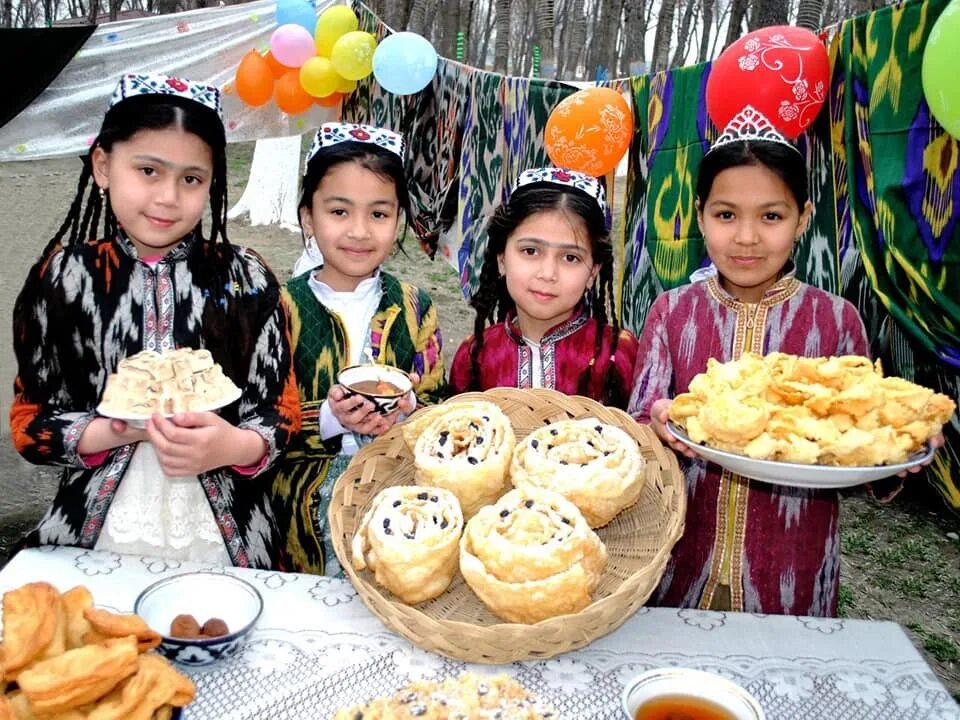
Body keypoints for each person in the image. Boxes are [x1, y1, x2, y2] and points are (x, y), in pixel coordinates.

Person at [628, 105, 941, 616]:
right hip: (680, 559)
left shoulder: (836, 321)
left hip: (792, 567)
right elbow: (643, 420)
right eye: (725, 215)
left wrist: (902, 448)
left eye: (771, 216)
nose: (747, 237)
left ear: (803, 219)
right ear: (700, 214)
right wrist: (655, 427)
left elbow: (863, 449)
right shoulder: (672, 311)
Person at [10, 72, 301, 569]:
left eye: (191, 178)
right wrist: (114, 431)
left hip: (227, 539)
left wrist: (232, 444)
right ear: (103, 165)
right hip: (96, 535)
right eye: (148, 170)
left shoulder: (246, 279)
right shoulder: (64, 277)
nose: (169, 196)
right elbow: (30, 422)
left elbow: (282, 413)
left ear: (212, 184)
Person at [271, 122, 446, 575]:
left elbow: (437, 403)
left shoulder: (415, 308)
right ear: (308, 216)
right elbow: (260, 421)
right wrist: (329, 420)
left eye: (379, 214)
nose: (360, 231)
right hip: (298, 519)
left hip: (396, 512)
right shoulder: (279, 308)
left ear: (398, 220)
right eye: (339, 211)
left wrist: (411, 411)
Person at [448, 167, 637, 407]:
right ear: (502, 258)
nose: (548, 274)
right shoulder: (474, 354)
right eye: (530, 251)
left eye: (570, 257)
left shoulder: (618, 353)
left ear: (593, 272)